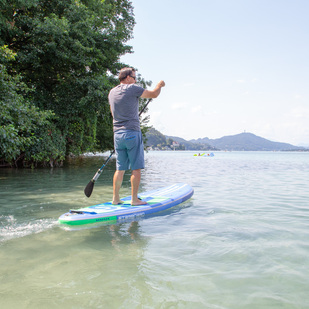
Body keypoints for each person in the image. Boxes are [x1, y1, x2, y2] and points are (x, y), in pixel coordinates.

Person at [108, 68, 165, 205]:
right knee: (136, 168)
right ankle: (134, 199)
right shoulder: (132, 88)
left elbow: (112, 113)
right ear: (127, 77)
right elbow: (153, 94)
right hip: (132, 133)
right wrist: (159, 85)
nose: (135, 80)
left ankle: (115, 199)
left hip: (117, 134)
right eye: (134, 77)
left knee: (120, 169)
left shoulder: (112, 92)